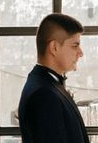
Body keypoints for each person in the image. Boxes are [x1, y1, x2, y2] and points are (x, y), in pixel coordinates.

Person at [18, 13, 89, 143]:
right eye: (74, 45)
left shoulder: (47, 84)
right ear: (54, 47)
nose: (80, 53)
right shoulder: (43, 95)